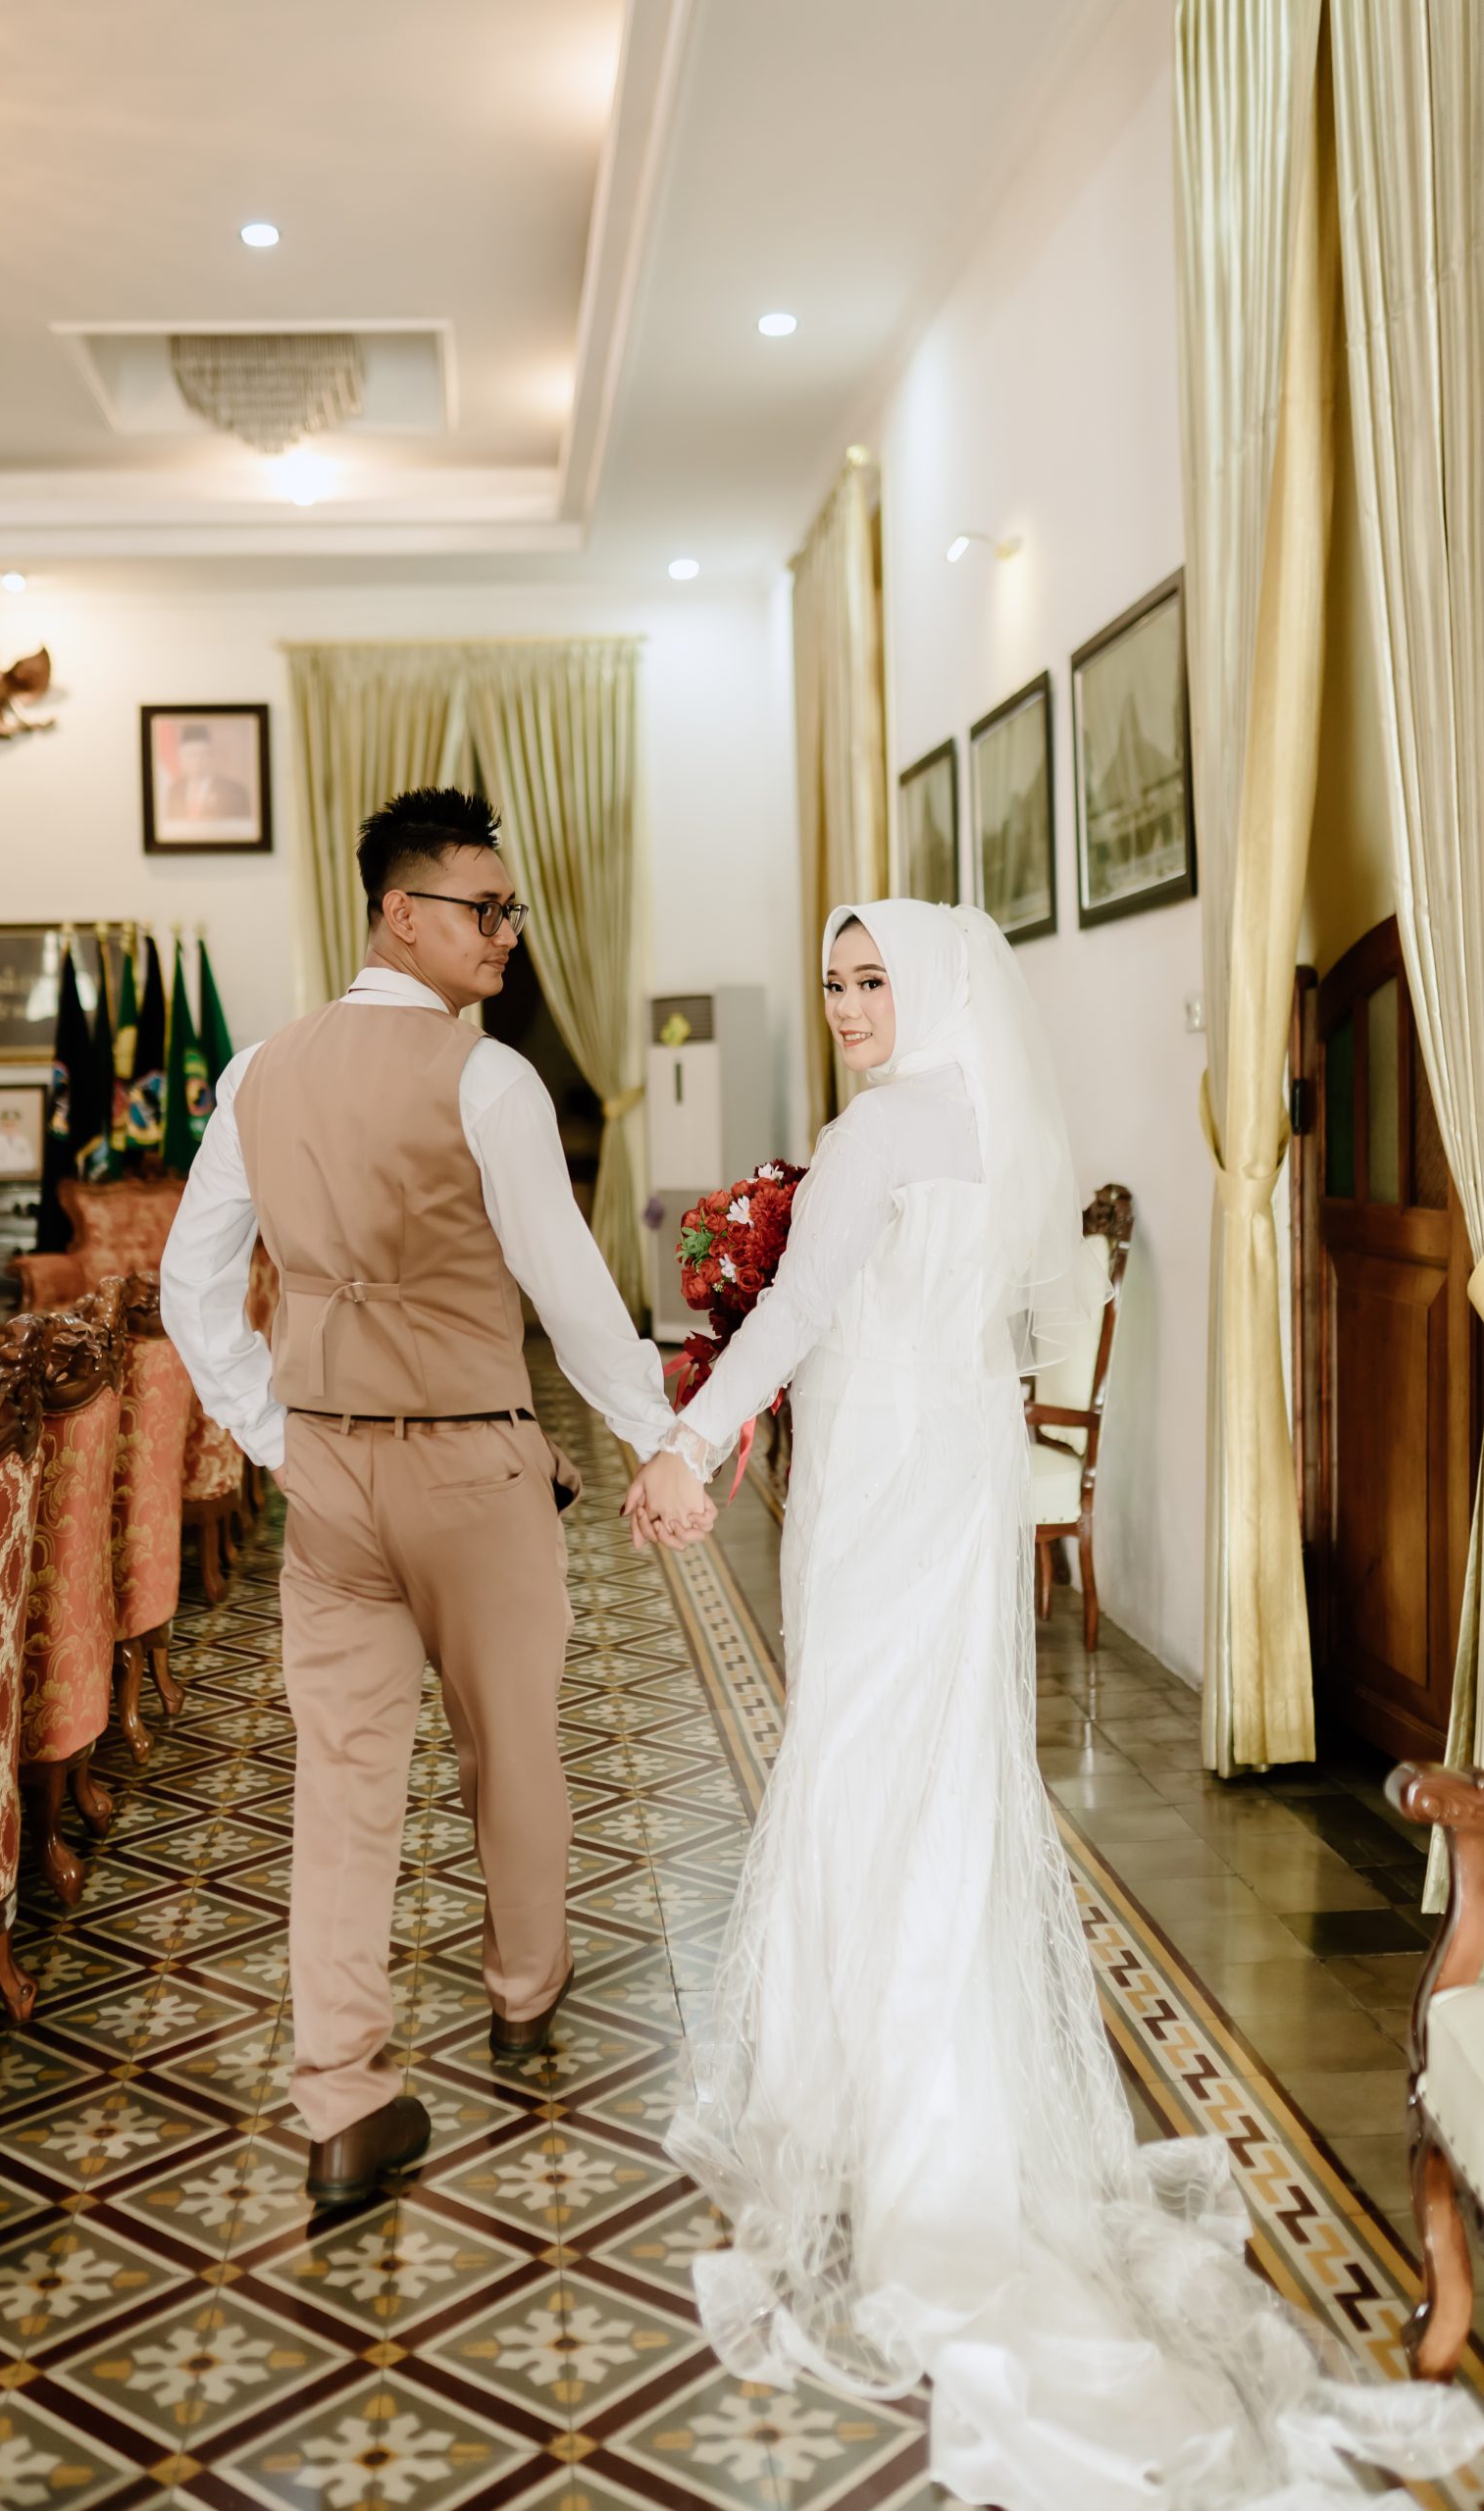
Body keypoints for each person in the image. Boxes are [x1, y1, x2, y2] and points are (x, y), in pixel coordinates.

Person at [625, 899, 1482, 2509]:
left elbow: (799, 1316)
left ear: (930, 985)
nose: (848, 1005)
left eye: (873, 980)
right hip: (956, 1467)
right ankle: (931, 2096)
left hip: (885, 1477)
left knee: (859, 1766)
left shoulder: (877, 1136)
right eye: (834, 981)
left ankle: (880, 2121)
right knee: (940, 1775)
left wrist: (686, 1441)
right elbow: (998, 1314)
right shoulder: (1000, 1123)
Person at [162, 788, 693, 2209]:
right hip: (473, 1467)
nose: (507, 934)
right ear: (401, 914)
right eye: (484, 908)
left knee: (341, 1782)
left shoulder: (259, 1071)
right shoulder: (488, 1079)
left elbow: (189, 1285)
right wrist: (660, 1439)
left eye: (511, 909)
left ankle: (342, 2100)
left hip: (329, 1475)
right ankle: (523, 1993)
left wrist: (271, 1434)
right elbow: (570, 1293)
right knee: (510, 1750)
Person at [165, 721, 251, 823]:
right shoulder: (174, 791)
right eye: (190, 755)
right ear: (181, 758)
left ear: (211, 756)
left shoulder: (234, 791)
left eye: (201, 754)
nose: (196, 761)